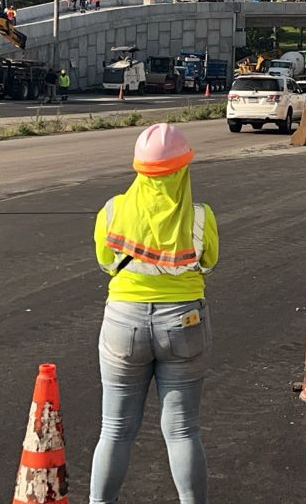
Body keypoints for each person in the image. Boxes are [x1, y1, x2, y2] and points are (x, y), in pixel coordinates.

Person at [90, 123, 218, 504]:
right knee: (182, 431)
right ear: (184, 168)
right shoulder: (199, 216)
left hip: (123, 323)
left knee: (114, 430)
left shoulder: (112, 211)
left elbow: (105, 261)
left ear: (139, 168)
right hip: (184, 323)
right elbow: (209, 262)